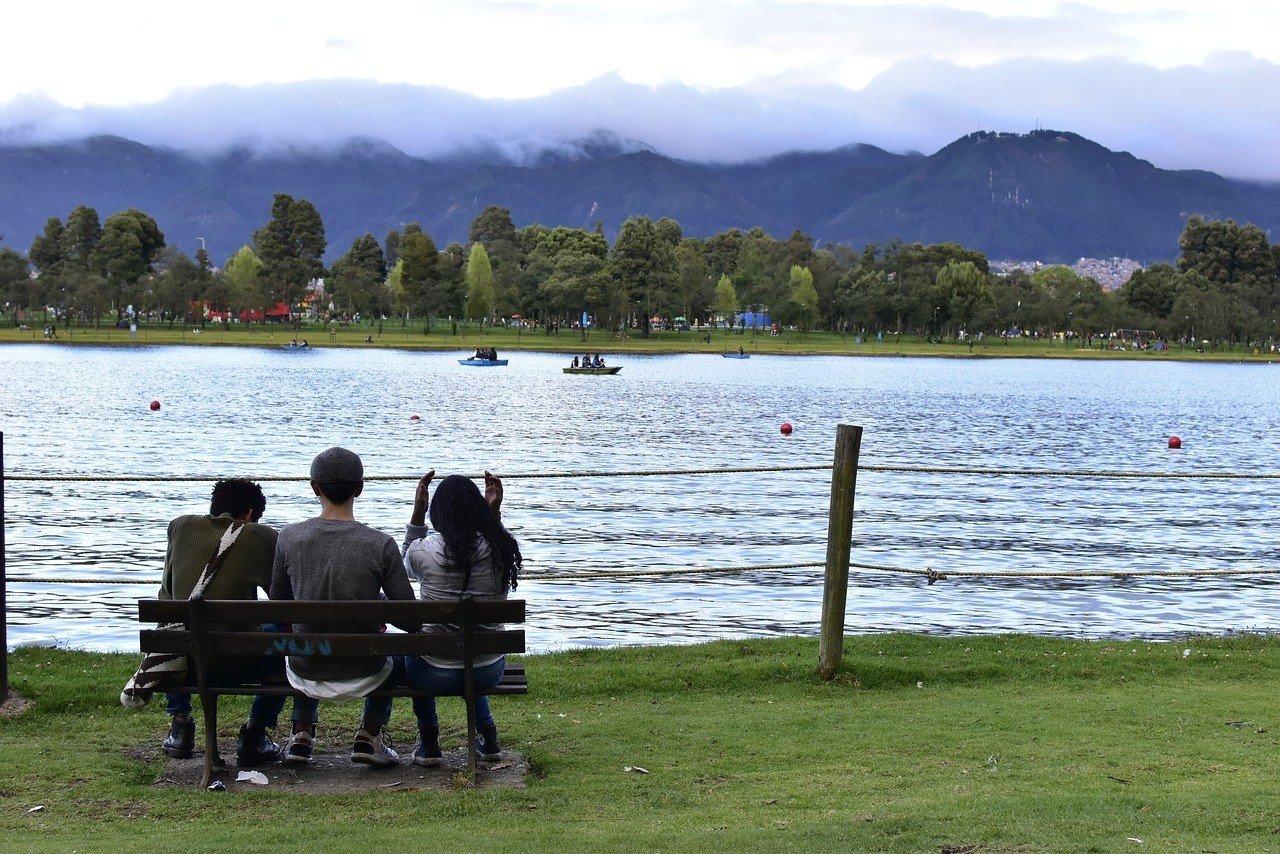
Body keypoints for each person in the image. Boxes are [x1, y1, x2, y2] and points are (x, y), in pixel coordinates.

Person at [270, 447, 418, 766]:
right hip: (366, 669)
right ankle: (369, 735)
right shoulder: (381, 544)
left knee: (303, 640)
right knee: (399, 655)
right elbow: (411, 621)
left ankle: (301, 733)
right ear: (359, 488)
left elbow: (278, 607)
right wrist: (374, 603)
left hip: (304, 669)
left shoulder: (289, 538)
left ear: (315, 488)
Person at [158, 478, 284, 766]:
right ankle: (255, 733)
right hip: (238, 662)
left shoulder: (180, 527)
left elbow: (166, 596)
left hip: (185, 663)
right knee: (284, 633)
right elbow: (282, 603)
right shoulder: (261, 535)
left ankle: (180, 726)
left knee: (168, 630)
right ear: (250, 514)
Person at [402, 470, 521, 765]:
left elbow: (403, 565)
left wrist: (417, 512)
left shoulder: (423, 551)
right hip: (488, 669)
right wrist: (492, 513)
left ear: (436, 513)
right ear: (479, 509)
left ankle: (429, 742)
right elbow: (490, 542)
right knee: (470, 646)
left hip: (431, 672)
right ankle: (488, 735)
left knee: (416, 647)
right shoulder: (502, 549)